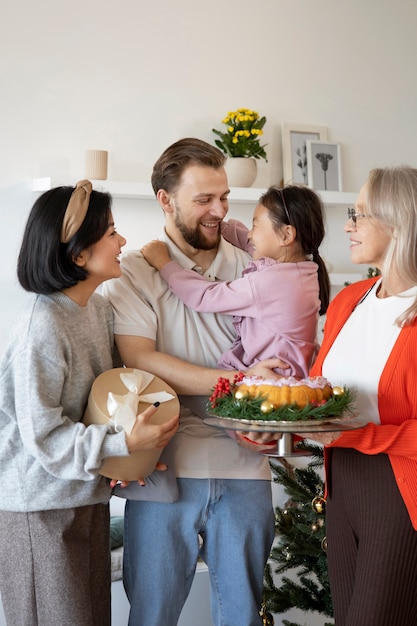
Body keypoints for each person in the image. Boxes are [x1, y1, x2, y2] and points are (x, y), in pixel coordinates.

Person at [101, 138, 283, 626]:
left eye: (223, 197)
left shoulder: (254, 267)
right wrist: (238, 381)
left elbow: (279, 361)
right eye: (204, 199)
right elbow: (144, 361)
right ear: (166, 199)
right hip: (164, 470)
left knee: (241, 616)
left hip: (245, 469)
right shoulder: (134, 273)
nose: (218, 210)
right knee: (152, 616)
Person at [0, 180, 179, 626]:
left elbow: (108, 402)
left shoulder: (97, 310)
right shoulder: (40, 329)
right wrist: (119, 445)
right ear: (78, 254)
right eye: (112, 232)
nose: (122, 242)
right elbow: (44, 435)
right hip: (38, 510)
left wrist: (132, 455)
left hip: (84, 497)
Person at [309, 166, 417, 625]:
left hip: (399, 491)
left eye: (359, 215)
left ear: (397, 222)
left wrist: (363, 435)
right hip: (342, 486)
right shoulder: (347, 300)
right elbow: (320, 395)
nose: (347, 226)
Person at [141, 184, 330, 378]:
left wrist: (164, 263)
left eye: (255, 225)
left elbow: (206, 296)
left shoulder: (271, 283)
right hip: (295, 376)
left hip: (273, 386)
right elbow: (257, 246)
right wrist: (218, 226)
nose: (250, 233)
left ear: (286, 235)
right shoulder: (301, 271)